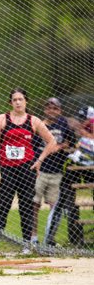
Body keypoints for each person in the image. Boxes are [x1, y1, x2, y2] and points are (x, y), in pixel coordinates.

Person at [0, 88, 56, 257]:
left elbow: (52, 141)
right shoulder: (1, 120)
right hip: (7, 170)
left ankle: (26, 246)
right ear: (10, 103)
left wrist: (39, 161)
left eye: (21, 99)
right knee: (3, 208)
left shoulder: (33, 121)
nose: (18, 102)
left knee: (26, 208)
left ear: (26, 101)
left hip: (27, 170)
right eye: (14, 99)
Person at [45, 106, 94, 247]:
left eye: (84, 119)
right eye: (80, 119)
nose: (81, 122)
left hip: (88, 168)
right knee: (66, 198)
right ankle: (67, 239)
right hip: (76, 168)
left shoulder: (86, 130)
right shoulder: (76, 132)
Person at [30, 98, 74, 246]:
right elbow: (33, 146)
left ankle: (49, 239)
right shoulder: (40, 126)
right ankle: (33, 237)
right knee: (34, 204)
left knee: (54, 207)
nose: (52, 111)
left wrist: (59, 147)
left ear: (60, 110)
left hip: (57, 172)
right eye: (49, 108)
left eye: (55, 108)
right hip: (40, 171)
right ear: (45, 110)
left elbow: (71, 142)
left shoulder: (63, 125)